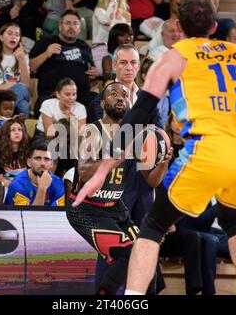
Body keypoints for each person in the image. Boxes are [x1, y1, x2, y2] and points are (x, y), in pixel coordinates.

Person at [73, 0, 236, 295]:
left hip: (210, 151)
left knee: (153, 226)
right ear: (213, 26)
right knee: (234, 222)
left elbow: (138, 114)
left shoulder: (174, 56)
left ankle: (132, 299)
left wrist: (103, 169)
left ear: (179, 27)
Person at [67, 81, 172, 294]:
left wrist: (163, 162)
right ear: (103, 102)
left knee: (146, 253)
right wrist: (121, 153)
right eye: (113, 94)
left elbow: (151, 181)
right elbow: (86, 172)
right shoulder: (91, 131)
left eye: (124, 93)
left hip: (115, 206)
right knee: (126, 254)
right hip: (87, 208)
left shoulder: (135, 135)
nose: (120, 96)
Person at [29, 10, 98, 113]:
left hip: (80, 96)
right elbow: (30, 68)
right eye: (67, 23)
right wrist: (46, 54)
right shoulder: (46, 41)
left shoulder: (84, 46)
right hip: (52, 95)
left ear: (79, 28)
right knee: (43, 104)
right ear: (60, 26)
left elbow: (92, 73)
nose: (71, 27)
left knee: (97, 101)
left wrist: (94, 73)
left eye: (75, 23)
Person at [0, 22, 31, 117]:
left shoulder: (23, 56)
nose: (14, 37)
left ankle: (4, 119)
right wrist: (4, 87)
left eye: (17, 35)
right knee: (23, 104)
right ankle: (11, 122)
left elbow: (26, 87)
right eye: (10, 33)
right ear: (1, 37)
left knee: (23, 101)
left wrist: (21, 60)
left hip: (14, 94)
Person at [5, 140, 65, 206]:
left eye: (46, 159)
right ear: (29, 162)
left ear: (52, 164)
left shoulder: (59, 184)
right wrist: (42, 188)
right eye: (38, 158)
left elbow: (55, 215)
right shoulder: (17, 184)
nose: (42, 163)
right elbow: (30, 216)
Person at [0, 118, 29, 188]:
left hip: (26, 188)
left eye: (20, 129)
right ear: (6, 133)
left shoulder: (28, 152)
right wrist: (15, 187)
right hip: (7, 188)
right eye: (13, 130)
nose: (17, 132)